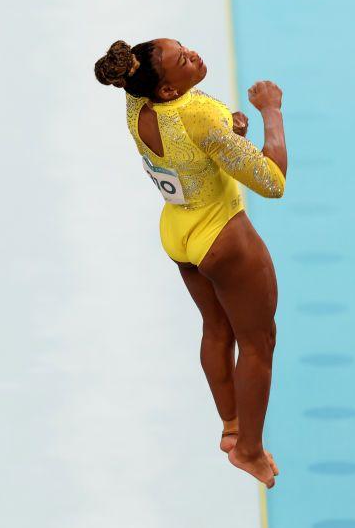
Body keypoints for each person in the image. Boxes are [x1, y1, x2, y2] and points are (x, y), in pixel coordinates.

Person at [94, 38, 289, 488]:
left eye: (185, 48)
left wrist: (229, 137)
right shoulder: (199, 115)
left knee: (216, 329)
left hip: (179, 233)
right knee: (259, 343)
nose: (195, 55)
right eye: (182, 60)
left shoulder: (135, 104)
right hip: (223, 236)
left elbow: (188, 151)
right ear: (165, 89)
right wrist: (269, 112)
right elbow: (272, 181)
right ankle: (250, 451)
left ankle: (231, 426)